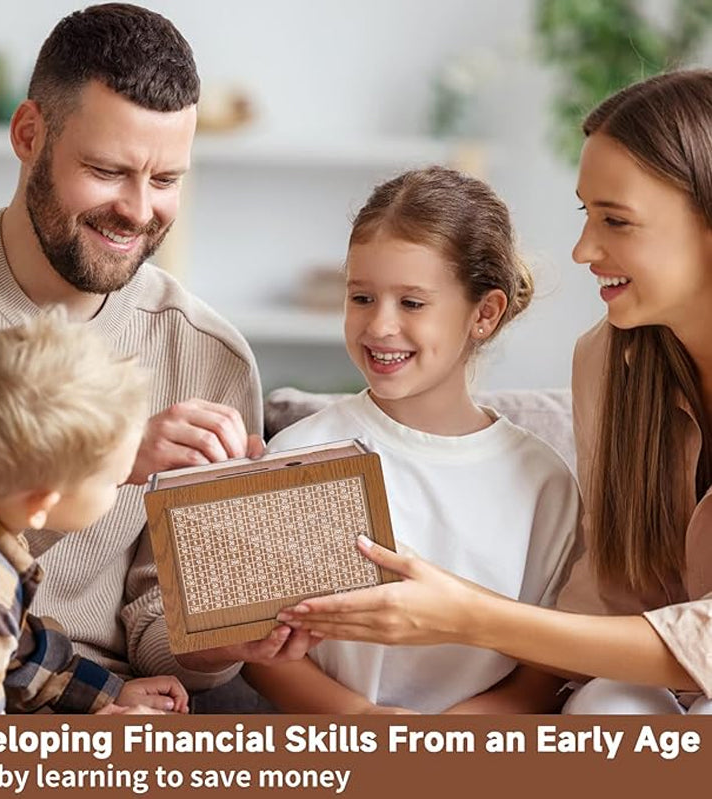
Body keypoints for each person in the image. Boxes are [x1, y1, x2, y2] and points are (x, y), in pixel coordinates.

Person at [275, 70, 712, 716]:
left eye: (616, 221)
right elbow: (609, 602)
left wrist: (465, 616)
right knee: (611, 705)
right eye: (586, 214)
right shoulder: (612, 364)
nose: (582, 249)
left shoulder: (533, 478)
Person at [0, 3, 311, 699]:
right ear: (28, 134)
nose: (138, 209)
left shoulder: (207, 354)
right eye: (106, 170)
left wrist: (226, 635)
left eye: (166, 180)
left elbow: (159, 634)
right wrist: (105, 457)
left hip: (107, 696)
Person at [243, 166, 580, 713]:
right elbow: (260, 651)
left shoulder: (543, 482)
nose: (379, 326)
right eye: (362, 298)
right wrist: (365, 720)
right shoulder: (301, 455)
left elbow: (543, 668)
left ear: (485, 313)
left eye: (412, 303)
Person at [0, 312, 189, 714]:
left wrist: (106, 694)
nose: (126, 479)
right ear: (41, 504)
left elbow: (15, 644)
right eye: (113, 479)